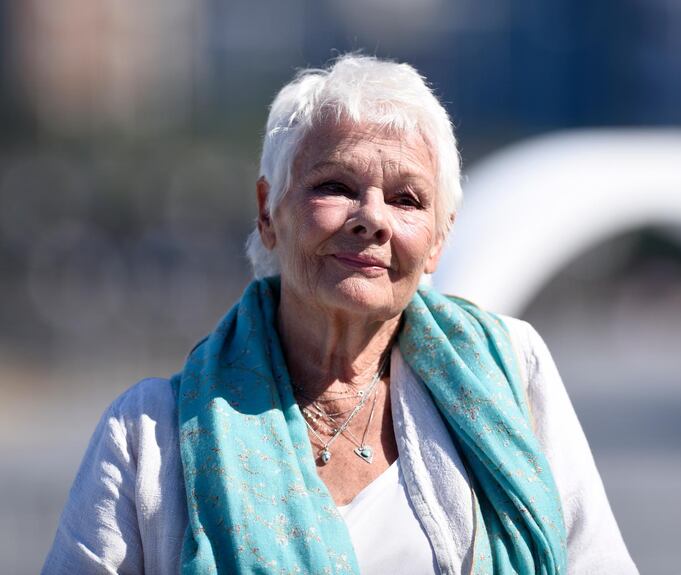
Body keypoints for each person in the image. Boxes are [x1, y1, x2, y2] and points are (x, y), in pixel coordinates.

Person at [43, 54, 637, 575]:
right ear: (268, 211)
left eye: (408, 199)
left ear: (438, 239)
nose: (372, 218)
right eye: (335, 185)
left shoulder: (512, 373)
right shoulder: (149, 434)